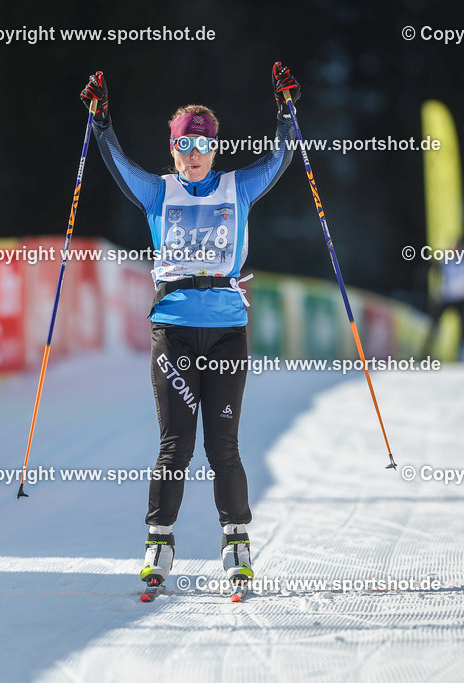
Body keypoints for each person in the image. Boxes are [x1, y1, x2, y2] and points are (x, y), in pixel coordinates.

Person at [80, 64, 299, 594]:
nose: (193, 154)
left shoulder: (238, 187)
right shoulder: (158, 192)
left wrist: (286, 111)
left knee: (223, 444)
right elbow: (116, 162)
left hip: (227, 331)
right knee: (175, 443)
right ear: (173, 149)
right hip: (174, 331)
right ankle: (159, 540)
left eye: (202, 145)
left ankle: (237, 541)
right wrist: (101, 120)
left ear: (215, 149)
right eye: (184, 146)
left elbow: (282, 156)